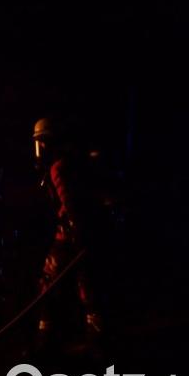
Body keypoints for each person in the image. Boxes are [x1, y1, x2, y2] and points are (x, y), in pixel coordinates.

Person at [32, 118, 115, 352]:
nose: (40, 149)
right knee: (87, 283)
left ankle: (46, 337)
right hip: (86, 233)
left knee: (49, 284)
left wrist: (76, 229)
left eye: (42, 142)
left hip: (70, 236)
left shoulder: (58, 168)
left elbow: (70, 203)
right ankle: (96, 334)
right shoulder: (75, 162)